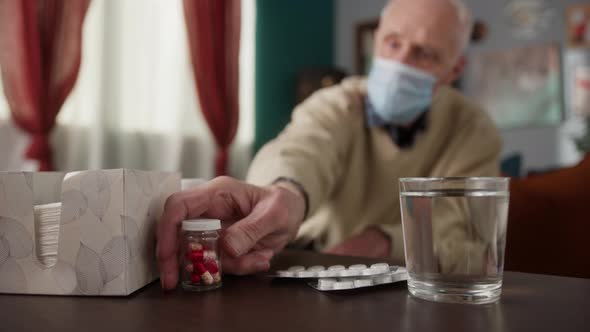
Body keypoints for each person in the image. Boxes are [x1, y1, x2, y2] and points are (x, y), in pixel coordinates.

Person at [157, 0, 501, 290]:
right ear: (376, 39)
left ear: (454, 68)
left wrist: (382, 241)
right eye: (393, 43)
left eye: (423, 53)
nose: (400, 63)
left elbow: (467, 234)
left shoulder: (474, 130)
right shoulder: (335, 104)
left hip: (412, 287)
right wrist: (286, 194)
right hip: (308, 269)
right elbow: (299, 151)